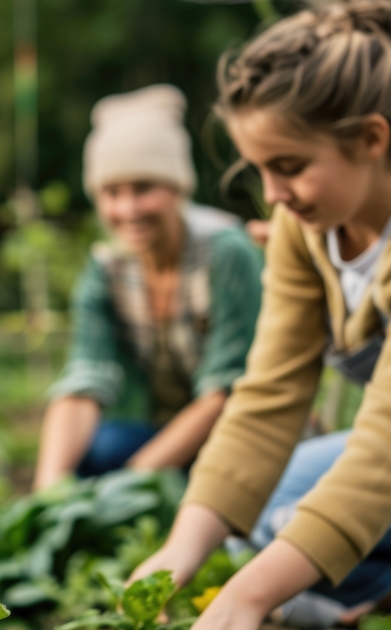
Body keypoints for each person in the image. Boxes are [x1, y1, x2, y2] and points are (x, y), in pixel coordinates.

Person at [129, 2, 391, 628]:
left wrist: (247, 596)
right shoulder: (304, 225)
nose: (274, 194)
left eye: (289, 167)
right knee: (251, 513)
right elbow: (268, 396)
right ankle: (368, 598)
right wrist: (178, 552)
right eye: (259, 168)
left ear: (372, 138)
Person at [32, 85, 264, 491]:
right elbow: (85, 378)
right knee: (93, 450)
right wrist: (46, 495)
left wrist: (132, 484)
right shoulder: (107, 268)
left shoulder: (226, 253)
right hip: (167, 435)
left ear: (176, 187)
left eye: (144, 189)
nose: (128, 210)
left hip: (246, 439)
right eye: (112, 193)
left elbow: (225, 392)